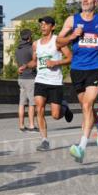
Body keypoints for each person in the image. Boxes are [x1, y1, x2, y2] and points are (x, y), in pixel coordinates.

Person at [57, 0, 98, 163]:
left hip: (96, 67)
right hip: (77, 68)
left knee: (87, 105)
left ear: (96, 2)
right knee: (86, 105)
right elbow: (58, 41)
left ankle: (81, 147)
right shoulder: (72, 20)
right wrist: (71, 37)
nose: (85, 0)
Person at [22, 16, 73, 151]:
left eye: (46, 24)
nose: (43, 27)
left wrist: (56, 62)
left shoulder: (58, 41)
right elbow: (35, 61)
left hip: (55, 82)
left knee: (56, 115)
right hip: (40, 81)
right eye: (41, 25)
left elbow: (70, 58)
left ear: (53, 26)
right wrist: (26, 66)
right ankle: (44, 140)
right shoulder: (36, 44)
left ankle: (64, 107)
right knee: (40, 108)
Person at [15, 28, 37, 132]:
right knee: (32, 103)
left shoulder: (17, 49)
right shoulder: (30, 49)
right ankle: (32, 125)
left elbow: (18, 63)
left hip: (21, 78)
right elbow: (35, 61)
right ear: (28, 38)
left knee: (22, 103)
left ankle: (21, 125)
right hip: (30, 78)